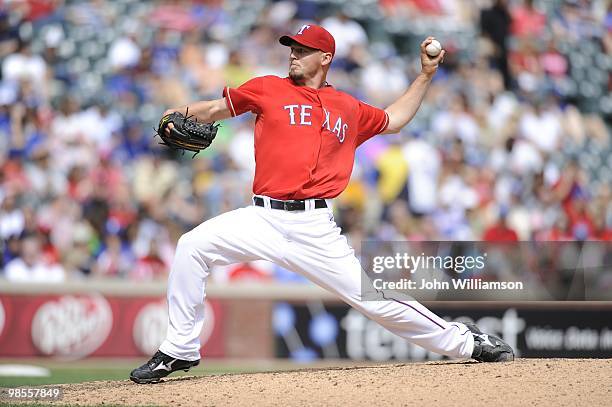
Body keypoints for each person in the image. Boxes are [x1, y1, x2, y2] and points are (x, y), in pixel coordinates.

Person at [130, 24, 514, 384]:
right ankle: (178, 349)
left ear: (325, 57)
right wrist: (177, 114)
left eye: (303, 50)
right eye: (292, 48)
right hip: (262, 216)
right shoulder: (267, 88)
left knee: (375, 301)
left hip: (314, 227)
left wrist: (425, 76)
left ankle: (466, 342)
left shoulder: (347, 106)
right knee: (191, 247)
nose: (293, 55)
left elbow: (394, 119)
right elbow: (214, 109)